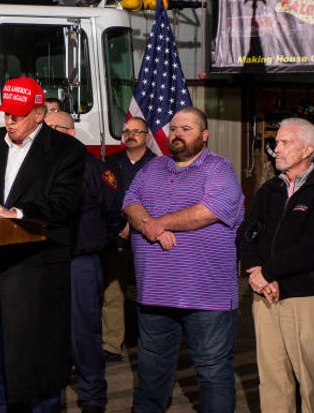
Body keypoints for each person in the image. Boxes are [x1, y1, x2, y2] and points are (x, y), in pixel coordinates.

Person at [0, 77, 85, 412]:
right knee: (0, 360)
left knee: (39, 363)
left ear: (39, 113)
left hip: (37, 274)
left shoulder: (66, 151)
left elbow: (62, 204)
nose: (10, 121)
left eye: (18, 114)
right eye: (7, 114)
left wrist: (14, 213)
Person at [123, 107, 244, 413]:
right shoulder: (152, 168)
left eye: (186, 129)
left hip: (207, 297)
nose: (177, 133)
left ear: (204, 136)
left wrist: (158, 223)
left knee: (212, 373)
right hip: (155, 294)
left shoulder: (219, 169)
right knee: (151, 376)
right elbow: (130, 202)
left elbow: (208, 211)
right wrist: (149, 225)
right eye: (174, 128)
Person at [237, 118, 314, 412]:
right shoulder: (270, 189)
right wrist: (254, 272)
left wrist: (267, 272)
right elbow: (246, 233)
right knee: (272, 379)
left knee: (311, 381)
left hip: (304, 298)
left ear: (307, 149)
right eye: (277, 142)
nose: (276, 149)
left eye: (285, 143)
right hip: (265, 295)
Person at [46, 110, 123, 413]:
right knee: (49, 332)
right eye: (47, 126)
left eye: (58, 127)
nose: (51, 132)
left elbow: (115, 213)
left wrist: (93, 240)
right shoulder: (38, 167)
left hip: (80, 262)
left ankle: (92, 395)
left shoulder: (93, 167)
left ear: (72, 132)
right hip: (46, 263)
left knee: (83, 333)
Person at [102, 116, 155, 363]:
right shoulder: (109, 163)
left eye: (137, 131)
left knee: (149, 293)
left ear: (146, 136)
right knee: (113, 292)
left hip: (148, 239)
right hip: (115, 238)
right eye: (127, 131)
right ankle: (112, 345)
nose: (130, 135)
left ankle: (150, 343)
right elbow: (103, 197)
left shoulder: (159, 165)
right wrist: (118, 225)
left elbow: (161, 202)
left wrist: (135, 226)